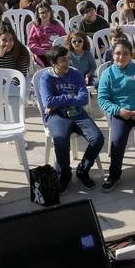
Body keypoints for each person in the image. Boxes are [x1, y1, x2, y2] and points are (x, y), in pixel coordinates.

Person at [96, 39, 135, 191]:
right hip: (120, 114)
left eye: (125, 53)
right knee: (117, 141)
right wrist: (119, 111)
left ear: (131, 55)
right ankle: (114, 174)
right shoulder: (108, 73)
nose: (121, 57)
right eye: (118, 53)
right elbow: (102, 99)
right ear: (113, 55)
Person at [39, 46, 102, 191]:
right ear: (53, 63)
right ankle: (64, 174)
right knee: (60, 140)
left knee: (97, 138)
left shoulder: (76, 74)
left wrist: (59, 101)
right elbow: (48, 102)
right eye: (63, 60)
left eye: (68, 58)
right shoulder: (46, 78)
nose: (68, 62)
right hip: (56, 116)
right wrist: (69, 96)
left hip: (78, 113)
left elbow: (84, 99)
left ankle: (82, 170)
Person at [26, 3, 66, 68]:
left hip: (57, 52)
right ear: (38, 15)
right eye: (42, 13)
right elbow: (32, 44)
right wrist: (44, 52)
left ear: (50, 12)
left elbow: (64, 38)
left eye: (47, 11)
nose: (45, 14)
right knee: (52, 67)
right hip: (43, 54)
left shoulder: (56, 24)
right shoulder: (35, 27)